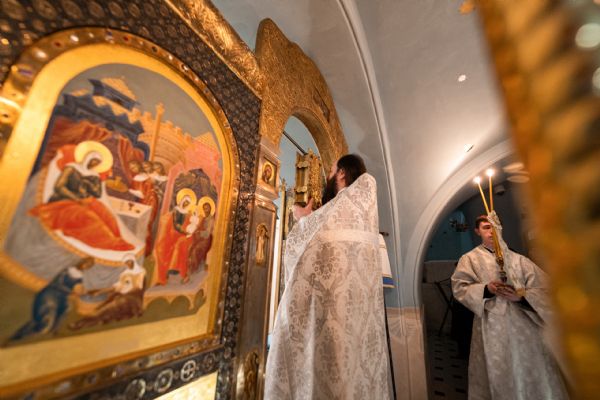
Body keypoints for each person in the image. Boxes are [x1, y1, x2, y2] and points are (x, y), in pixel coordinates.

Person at [265, 154, 391, 400]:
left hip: (332, 324)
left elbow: (302, 249)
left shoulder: (341, 207)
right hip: (358, 325)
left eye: (331, 171)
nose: (328, 177)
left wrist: (302, 219)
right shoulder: (363, 215)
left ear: (342, 173)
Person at [451, 212, 569, 400]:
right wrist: (486, 289)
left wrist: (522, 296)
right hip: (492, 327)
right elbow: (460, 287)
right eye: (486, 227)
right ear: (477, 231)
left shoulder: (519, 260)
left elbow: (547, 290)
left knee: (530, 371)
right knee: (499, 372)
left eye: (494, 227)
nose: (491, 231)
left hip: (526, 330)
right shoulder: (470, 259)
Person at [10, 257, 95, 340]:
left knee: (65, 308)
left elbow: (78, 289)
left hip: (61, 297)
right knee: (44, 324)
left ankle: (53, 333)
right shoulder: (69, 272)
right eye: (87, 263)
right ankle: (19, 336)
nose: (87, 266)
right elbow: (60, 285)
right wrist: (76, 292)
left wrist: (84, 292)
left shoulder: (79, 276)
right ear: (82, 262)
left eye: (90, 265)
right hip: (50, 296)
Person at [69, 254, 146, 330]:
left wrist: (124, 293)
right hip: (120, 296)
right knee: (101, 310)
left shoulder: (141, 272)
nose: (128, 264)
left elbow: (137, 287)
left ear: (133, 261)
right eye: (126, 262)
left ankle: (80, 324)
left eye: (130, 262)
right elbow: (116, 287)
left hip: (131, 298)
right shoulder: (125, 273)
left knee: (106, 309)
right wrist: (99, 292)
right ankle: (82, 323)